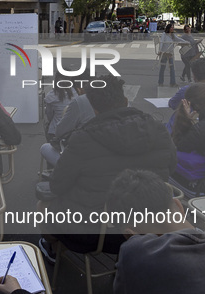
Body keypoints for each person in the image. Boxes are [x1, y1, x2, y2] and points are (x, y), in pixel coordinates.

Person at [38, 75, 177, 262]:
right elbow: (172, 167)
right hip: (151, 227)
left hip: (97, 235)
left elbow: (57, 185)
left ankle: (54, 251)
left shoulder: (83, 138)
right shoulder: (158, 129)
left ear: (94, 108)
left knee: (42, 206)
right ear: (126, 101)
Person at [43, 71, 78, 143]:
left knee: (46, 122)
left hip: (55, 130)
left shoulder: (51, 96)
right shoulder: (74, 93)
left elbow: (49, 115)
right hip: (72, 130)